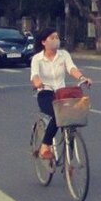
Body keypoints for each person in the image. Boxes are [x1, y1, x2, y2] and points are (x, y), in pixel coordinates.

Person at [30, 28, 92, 161]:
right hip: (45, 93)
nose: (55, 40)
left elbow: (71, 68)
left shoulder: (63, 54)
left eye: (57, 37)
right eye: (52, 38)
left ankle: (68, 158)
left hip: (61, 93)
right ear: (43, 42)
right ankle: (45, 146)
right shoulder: (37, 59)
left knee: (72, 117)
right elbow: (34, 75)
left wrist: (82, 78)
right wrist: (37, 82)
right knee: (56, 116)